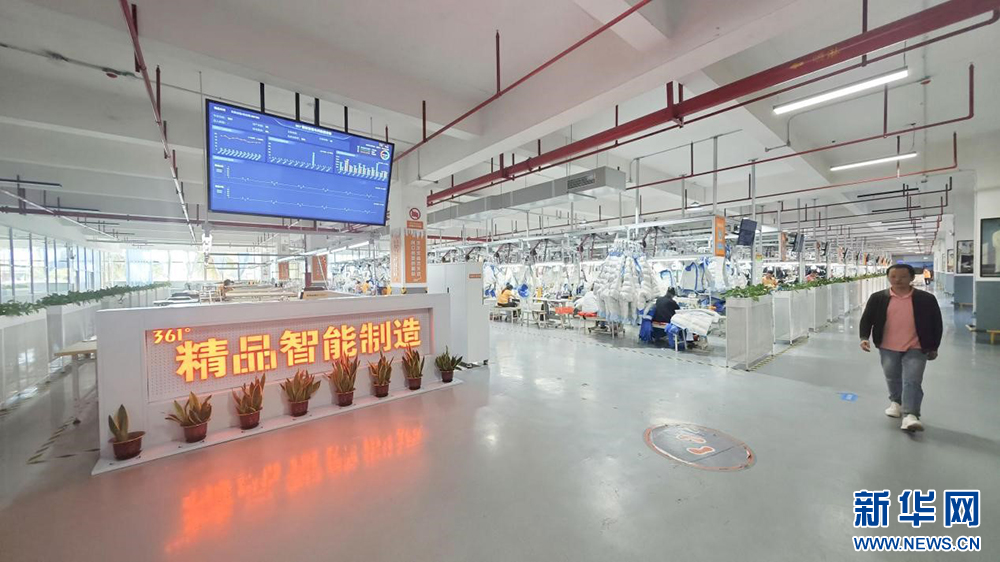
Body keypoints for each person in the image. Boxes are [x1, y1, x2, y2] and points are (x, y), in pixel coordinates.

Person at [859, 264, 943, 432]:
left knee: (912, 380)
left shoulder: (926, 299)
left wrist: (934, 346)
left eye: (903, 277)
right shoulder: (878, 298)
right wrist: (864, 338)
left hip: (916, 347)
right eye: (893, 276)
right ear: (888, 278)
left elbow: (936, 323)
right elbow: (867, 319)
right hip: (887, 346)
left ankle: (911, 415)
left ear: (912, 278)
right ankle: (896, 402)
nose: (898, 280)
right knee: (892, 376)